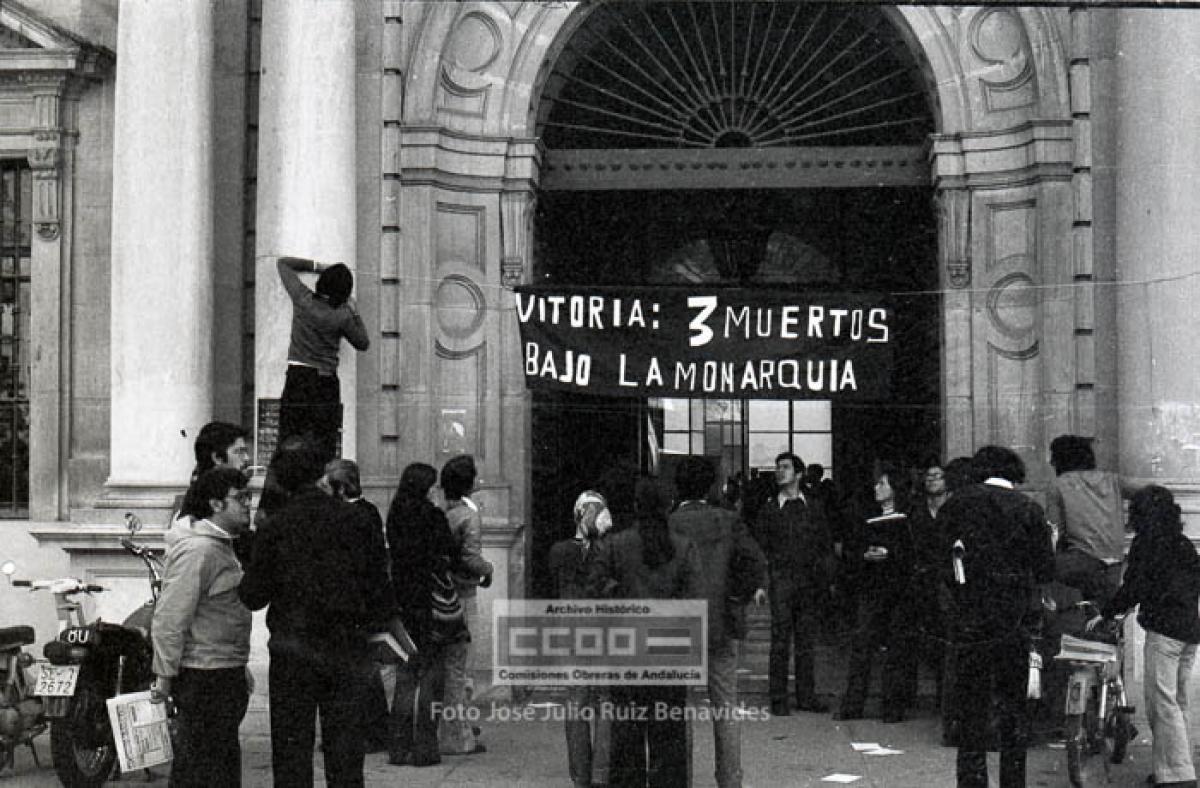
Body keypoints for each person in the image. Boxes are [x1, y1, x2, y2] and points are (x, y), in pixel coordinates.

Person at [238, 444, 393, 787]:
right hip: (347, 648)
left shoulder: (275, 527)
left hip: (293, 650)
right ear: (321, 474)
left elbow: (252, 596)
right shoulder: (357, 520)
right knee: (346, 756)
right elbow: (379, 588)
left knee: (292, 754)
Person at [938, 445, 1055, 788]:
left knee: (971, 704)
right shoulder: (1030, 509)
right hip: (1014, 618)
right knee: (1012, 708)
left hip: (970, 616)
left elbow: (938, 559)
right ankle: (1012, 781)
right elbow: (1045, 568)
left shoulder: (957, 504)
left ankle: (972, 780)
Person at [593, 478, 702, 788]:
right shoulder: (683, 547)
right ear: (668, 506)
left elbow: (595, 591)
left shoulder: (616, 545)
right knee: (669, 736)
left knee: (626, 733)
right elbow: (695, 601)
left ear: (636, 507)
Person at [1091, 485, 1200, 788]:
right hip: (1190, 629)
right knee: (1178, 701)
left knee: (1161, 703)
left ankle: (1178, 775)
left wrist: (1109, 611)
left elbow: (1134, 587)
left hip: (1164, 631)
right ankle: (1175, 766)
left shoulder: (1146, 544)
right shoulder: (1183, 544)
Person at [150, 467, 253, 787]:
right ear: (215, 504)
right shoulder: (199, 549)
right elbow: (171, 617)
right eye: (240, 498)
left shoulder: (220, 545)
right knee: (201, 768)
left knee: (217, 764)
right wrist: (164, 678)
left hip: (223, 668)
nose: (248, 504)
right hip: (204, 675)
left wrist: (240, 664)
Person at [669, 456, 767, 788]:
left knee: (677, 708)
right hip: (722, 622)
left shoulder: (668, 523)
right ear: (711, 487)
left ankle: (680, 777)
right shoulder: (729, 520)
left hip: (678, 628)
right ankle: (730, 780)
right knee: (726, 706)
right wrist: (735, 596)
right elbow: (754, 563)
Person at [386, 462, 463, 768]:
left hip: (403, 600)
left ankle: (399, 747)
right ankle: (425, 748)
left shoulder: (395, 515)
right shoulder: (433, 516)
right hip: (430, 602)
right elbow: (452, 555)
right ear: (427, 488)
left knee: (406, 673)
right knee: (432, 673)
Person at [754, 451, 833, 717]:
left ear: (798, 474)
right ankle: (778, 698)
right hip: (781, 580)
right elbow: (760, 549)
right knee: (780, 640)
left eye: (786, 467)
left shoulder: (814, 506)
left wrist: (825, 578)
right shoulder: (769, 509)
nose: (780, 471)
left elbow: (825, 545)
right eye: (778, 467)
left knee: (805, 641)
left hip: (809, 581)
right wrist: (761, 584)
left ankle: (805, 696)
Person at [836, 461, 916, 722]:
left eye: (883, 483)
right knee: (862, 646)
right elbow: (852, 548)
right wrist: (864, 554)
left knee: (896, 649)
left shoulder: (910, 518)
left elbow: (916, 553)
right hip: (871, 589)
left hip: (899, 591)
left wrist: (890, 554)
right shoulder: (867, 516)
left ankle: (892, 706)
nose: (877, 487)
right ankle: (853, 704)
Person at [324, 458, 391, 754]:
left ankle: (367, 732)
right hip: (365, 599)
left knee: (354, 670)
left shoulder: (343, 515)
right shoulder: (370, 512)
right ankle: (374, 730)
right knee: (364, 668)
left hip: (351, 601)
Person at [275, 255, 370, 462]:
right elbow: (363, 343)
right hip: (326, 382)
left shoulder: (303, 299)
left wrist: (318, 267)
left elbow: (283, 263)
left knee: (289, 439)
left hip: (297, 377)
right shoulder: (342, 316)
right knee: (324, 444)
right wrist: (355, 313)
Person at [549, 490, 615, 788]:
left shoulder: (560, 551)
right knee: (604, 700)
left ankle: (580, 776)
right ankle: (601, 773)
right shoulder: (611, 551)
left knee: (576, 701)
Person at [438, 454, 493, 755]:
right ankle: (457, 733)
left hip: (441, 592)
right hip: (464, 593)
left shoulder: (441, 511)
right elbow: (471, 557)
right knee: (462, 667)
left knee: (449, 666)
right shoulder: (468, 516)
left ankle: (457, 725)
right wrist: (488, 570)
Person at [1047, 434, 1138, 607]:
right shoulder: (1113, 481)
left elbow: (1054, 531)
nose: (1051, 463)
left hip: (1078, 561)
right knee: (1106, 613)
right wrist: (1133, 524)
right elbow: (1156, 492)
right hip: (1114, 562)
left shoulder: (1058, 485)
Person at [908, 459, 952, 729]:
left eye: (937, 475)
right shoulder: (916, 511)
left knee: (946, 639)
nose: (931, 479)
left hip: (948, 580)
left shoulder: (955, 508)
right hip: (923, 579)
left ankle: (944, 698)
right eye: (928, 475)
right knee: (924, 639)